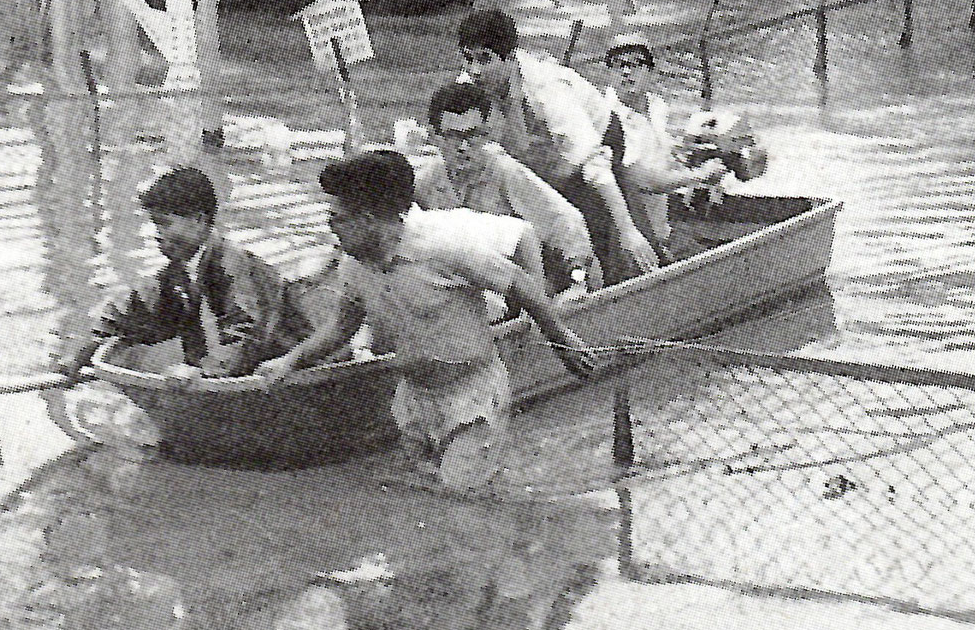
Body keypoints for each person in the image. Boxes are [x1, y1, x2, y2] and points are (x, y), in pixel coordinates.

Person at [259, 150, 598, 490]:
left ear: (367, 219)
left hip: (472, 392)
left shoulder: (444, 248)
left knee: (460, 498)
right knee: (427, 495)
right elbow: (340, 328)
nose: (331, 229)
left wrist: (562, 341)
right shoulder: (353, 266)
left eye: (337, 219)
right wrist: (290, 360)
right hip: (413, 400)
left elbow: (519, 282)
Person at [455, 6, 660, 282]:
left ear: (509, 57)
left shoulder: (547, 88)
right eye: (468, 59)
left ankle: (642, 267)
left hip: (600, 139)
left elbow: (595, 163)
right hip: (542, 151)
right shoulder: (468, 83)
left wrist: (627, 230)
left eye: (485, 60)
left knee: (610, 221)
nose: (475, 70)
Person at [63, 167, 310, 383]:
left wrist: (204, 372)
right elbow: (129, 311)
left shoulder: (233, 266)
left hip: (287, 366)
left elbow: (247, 333)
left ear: (198, 220)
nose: (156, 234)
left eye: (164, 223)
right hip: (244, 369)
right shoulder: (180, 270)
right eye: (154, 224)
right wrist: (81, 354)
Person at [411, 79, 596, 295]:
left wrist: (578, 282)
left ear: (486, 132)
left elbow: (565, 222)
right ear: (434, 136)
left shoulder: (504, 171)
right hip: (468, 294)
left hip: (525, 290)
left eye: (472, 135)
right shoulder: (425, 182)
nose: (463, 147)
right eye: (453, 137)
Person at [596, 31, 722, 256]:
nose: (626, 71)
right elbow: (641, 179)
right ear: (608, 72)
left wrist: (696, 147)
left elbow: (664, 153)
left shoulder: (656, 105)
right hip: (632, 237)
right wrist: (700, 176)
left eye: (636, 64)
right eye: (618, 64)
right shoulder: (609, 118)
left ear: (651, 71)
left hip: (663, 227)